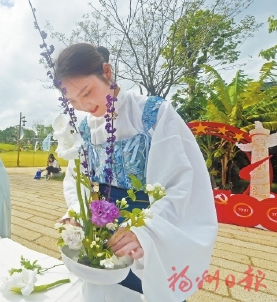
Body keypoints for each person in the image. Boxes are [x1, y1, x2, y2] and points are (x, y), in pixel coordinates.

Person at [55, 43, 217, 301]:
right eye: (73, 101)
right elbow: (76, 177)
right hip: (102, 232)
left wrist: (144, 231)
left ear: (107, 72)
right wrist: (76, 214)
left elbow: (179, 184)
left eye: (87, 92)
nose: (84, 105)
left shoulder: (152, 113)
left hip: (153, 229)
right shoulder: (84, 128)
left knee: (152, 290)